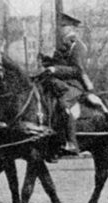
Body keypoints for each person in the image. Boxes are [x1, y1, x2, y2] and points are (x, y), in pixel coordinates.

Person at [38, 12, 92, 156]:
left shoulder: (78, 46)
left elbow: (77, 70)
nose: (60, 29)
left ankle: (71, 142)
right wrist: (47, 62)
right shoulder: (63, 45)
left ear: (71, 28)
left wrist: (55, 69)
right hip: (59, 83)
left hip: (74, 85)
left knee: (63, 104)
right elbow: (59, 63)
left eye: (63, 26)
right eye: (60, 26)